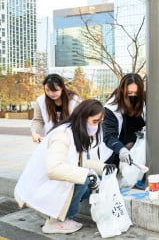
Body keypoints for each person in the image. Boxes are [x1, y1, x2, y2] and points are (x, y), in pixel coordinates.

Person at [15, 99, 116, 234]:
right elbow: (53, 169)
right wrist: (87, 174)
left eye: (99, 122)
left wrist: (103, 167)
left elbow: (78, 162)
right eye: (95, 122)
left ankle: (58, 215)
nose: (97, 126)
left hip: (51, 184)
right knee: (85, 180)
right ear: (83, 118)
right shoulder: (62, 135)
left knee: (93, 180)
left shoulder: (74, 131)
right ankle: (54, 221)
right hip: (41, 187)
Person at [100, 73, 146, 168]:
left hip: (138, 148)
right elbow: (109, 136)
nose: (133, 95)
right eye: (129, 93)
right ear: (123, 91)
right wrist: (121, 149)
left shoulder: (143, 102)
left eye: (136, 93)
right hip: (115, 151)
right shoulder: (111, 108)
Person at [31, 74, 81, 142]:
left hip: (72, 140)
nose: (51, 94)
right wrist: (35, 133)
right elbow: (38, 120)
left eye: (55, 90)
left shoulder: (75, 101)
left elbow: (81, 122)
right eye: (47, 90)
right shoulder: (40, 101)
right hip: (51, 140)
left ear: (62, 88)